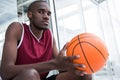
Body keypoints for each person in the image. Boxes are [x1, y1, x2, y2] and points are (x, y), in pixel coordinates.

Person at [0, 0, 92, 80]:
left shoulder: (49, 35)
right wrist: (53, 64)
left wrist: (72, 65)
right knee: (31, 75)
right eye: (41, 12)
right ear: (30, 14)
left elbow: (60, 67)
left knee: (85, 74)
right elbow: (5, 72)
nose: (46, 16)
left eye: (48, 14)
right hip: (24, 78)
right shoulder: (17, 29)